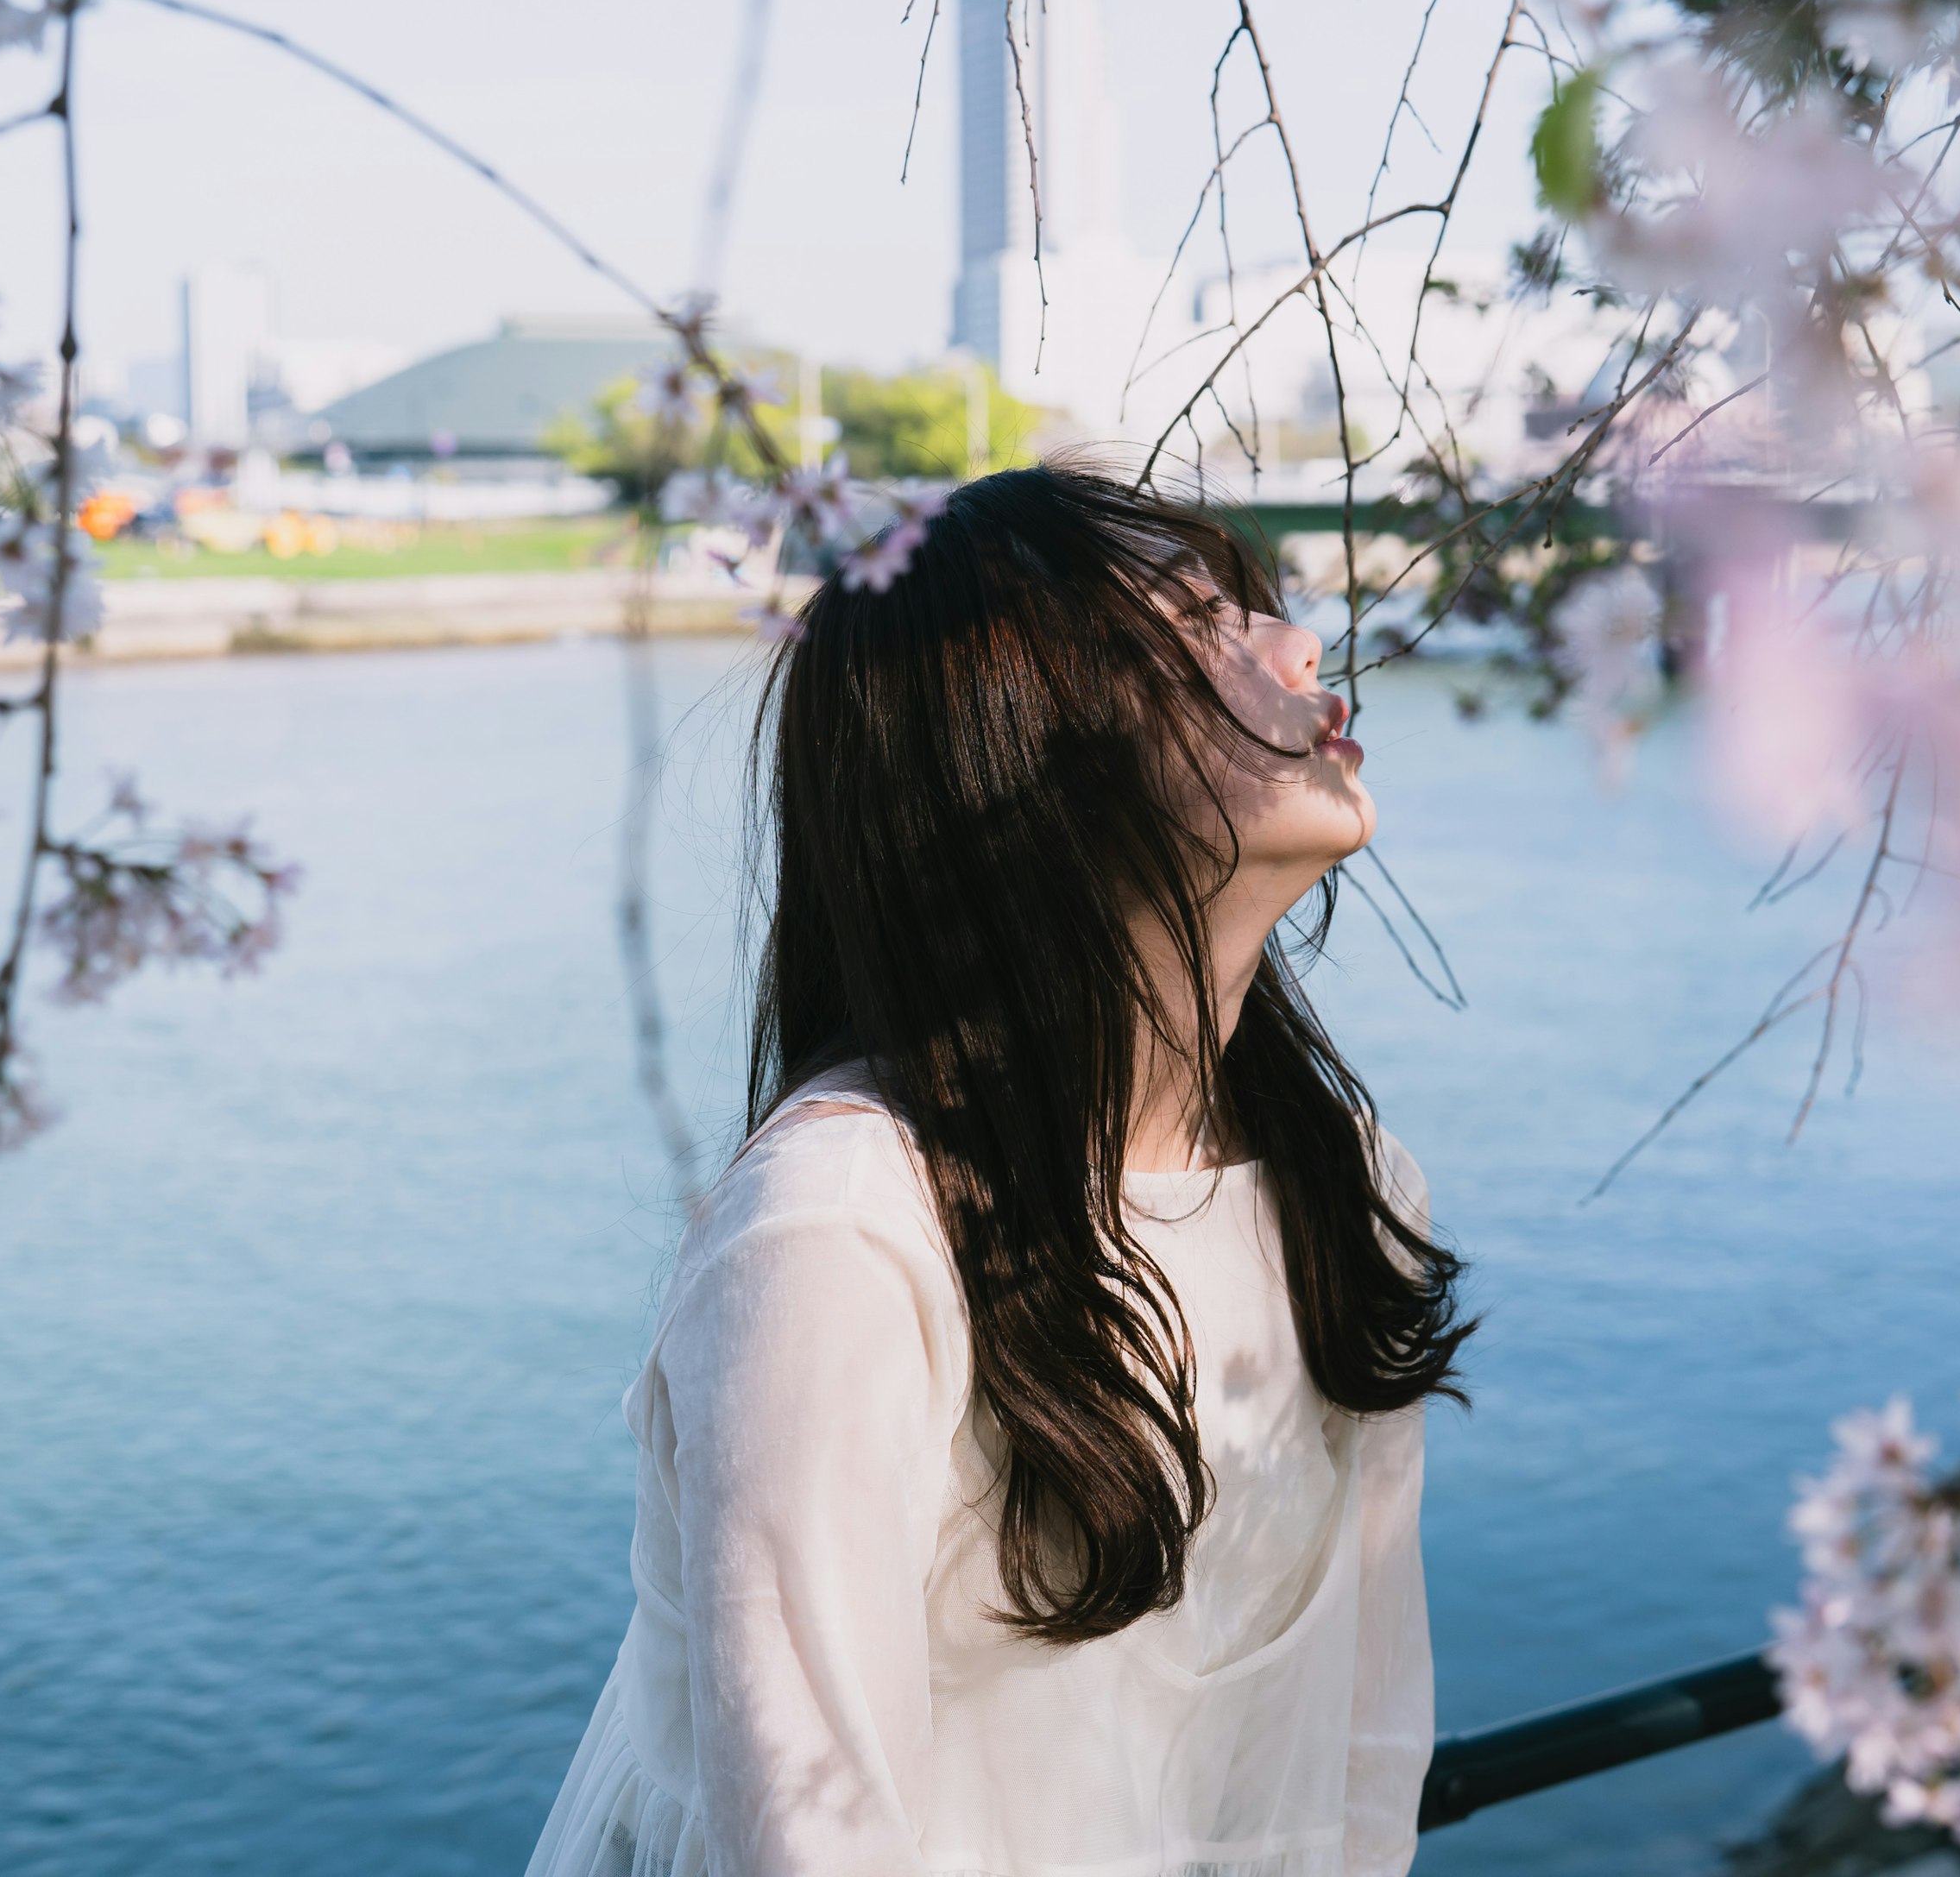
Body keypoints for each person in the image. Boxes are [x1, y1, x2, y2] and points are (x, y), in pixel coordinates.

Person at [527, 463, 1472, 1877]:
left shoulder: (1344, 1181)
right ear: (1020, 741)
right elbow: (817, 1840)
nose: (1297, 648)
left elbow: (1363, 1741)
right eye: (1202, 622)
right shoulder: (842, 1236)